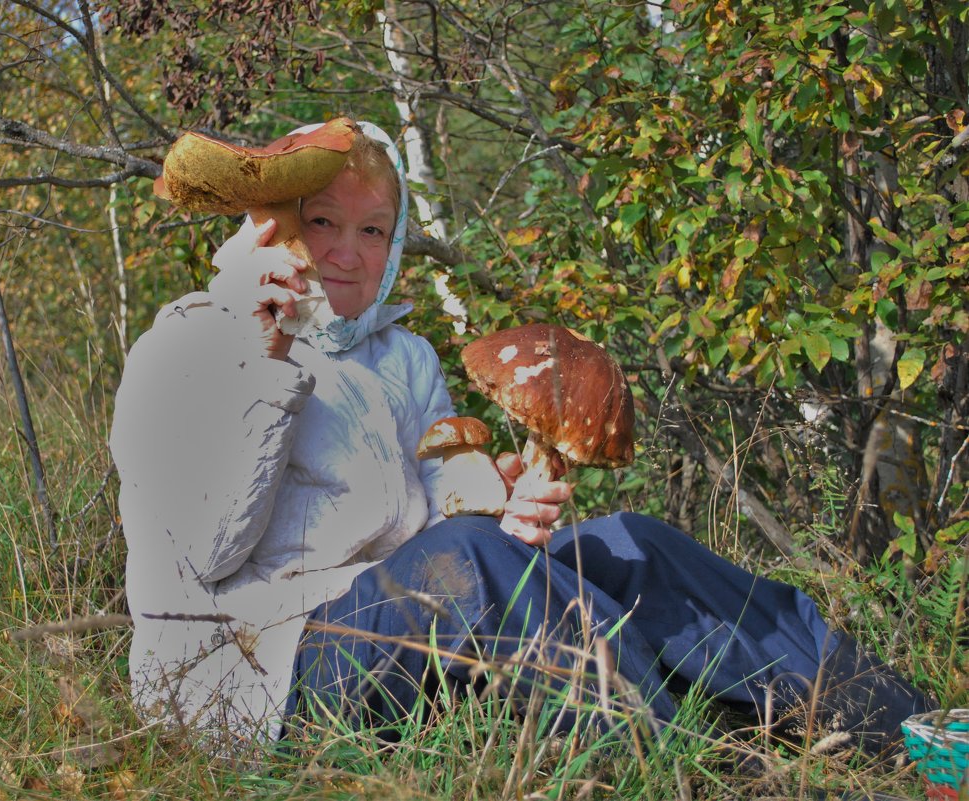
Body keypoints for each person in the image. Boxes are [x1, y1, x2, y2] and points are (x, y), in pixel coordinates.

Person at [110, 120, 932, 754]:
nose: (348, 255)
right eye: (323, 221)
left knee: (626, 541)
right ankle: (689, 770)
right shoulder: (185, 344)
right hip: (255, 679)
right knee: (472, 562)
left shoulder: (402, 358)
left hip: (395, 623)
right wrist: (263, 354)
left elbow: (435, 538)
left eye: (374, 229)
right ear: (271, 225)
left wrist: (503, 521)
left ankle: (909, 734)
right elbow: (200, 550)